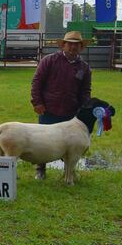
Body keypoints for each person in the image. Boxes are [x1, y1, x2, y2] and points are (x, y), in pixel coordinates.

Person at [30, 30, 92, 179]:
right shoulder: (49, 61)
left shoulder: (84, 68)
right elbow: (36, 82)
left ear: (81, 47)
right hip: (48, 109)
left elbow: (85, 91)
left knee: (69, 144)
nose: (73, 47)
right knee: (43, 141)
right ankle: (41, 169)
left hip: (71, 112)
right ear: (63, 45)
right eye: (69, 44)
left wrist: (84, 110)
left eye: (76, 45)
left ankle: (69, 172)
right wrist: (37, 102)